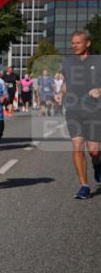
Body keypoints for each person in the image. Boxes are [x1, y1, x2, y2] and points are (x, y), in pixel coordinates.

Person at [57, 31, 101, 199]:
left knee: (95, 151)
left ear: (88, 43)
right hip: (74, 110)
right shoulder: (67, 63)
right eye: (73, 43)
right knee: (77, 147)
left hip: (95, 111)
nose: (74, 46)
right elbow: (67, 84)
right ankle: (84, 185)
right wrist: (61, 93)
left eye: (78, 43)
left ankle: (97, 165)